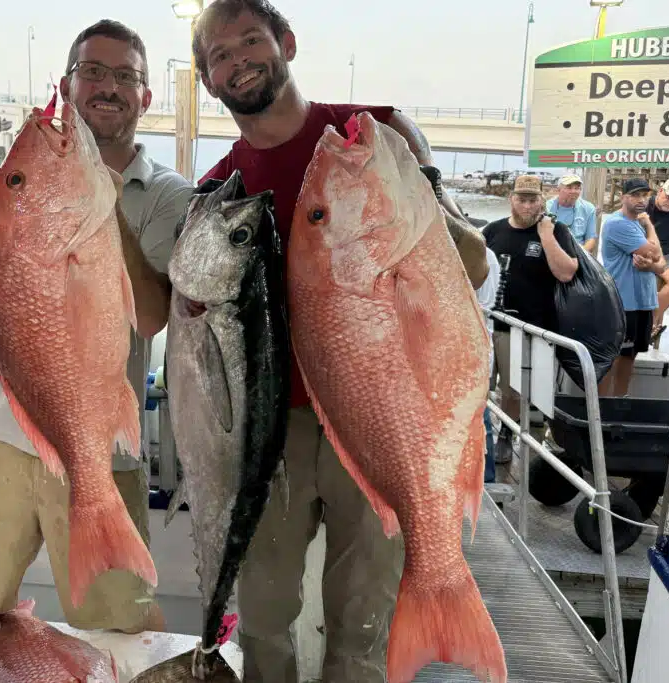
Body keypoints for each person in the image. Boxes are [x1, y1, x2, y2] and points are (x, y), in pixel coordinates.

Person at [189, 2, 491, 681]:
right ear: (207, 80)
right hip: (275, 428)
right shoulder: (216, 193)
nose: (238, 60)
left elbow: (471, 266)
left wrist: (425, 198)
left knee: (363, 619)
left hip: (385, 415)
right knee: (264, 614)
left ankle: (439, 595)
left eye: (250, 40)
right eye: (220, 55)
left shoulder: (373, 133)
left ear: (286, 43)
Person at [0, 19, 194, 633]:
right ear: (66, 86)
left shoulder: (171, 197)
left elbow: (151, 316)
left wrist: (104, 209)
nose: (108, 86)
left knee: (120, 626)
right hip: (1, 430)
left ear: (146, 98)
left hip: (100, 447)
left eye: (126, 76)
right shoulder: (33, 176)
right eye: (92, 71)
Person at [483, 175, 579, 462]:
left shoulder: (556, 231)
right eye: (521, 199)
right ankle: (482, 435)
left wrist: (546, 236)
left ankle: (506, 435)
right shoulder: (493, 230)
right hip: (489, 322)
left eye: (532, 199)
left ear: (542, 200)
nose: (526, 205)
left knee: (513, 390)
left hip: (526, 327)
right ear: (511, 199)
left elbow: (566, 272)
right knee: (481, 385)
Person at [599, 178, 661, 397]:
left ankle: (619, 403)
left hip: (642, 301)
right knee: (613, 357)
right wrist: (650, 226)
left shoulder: (637, 223)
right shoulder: (618, 223)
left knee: (630, 356)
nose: (641, 200)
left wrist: (653, 262)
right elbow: (655, 253)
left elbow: (660, 264)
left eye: (645, 195)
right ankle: (602, 411)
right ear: (623, 197)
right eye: (635, 195)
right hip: (623, 302)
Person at [474, 246, 501, 484]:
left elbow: (485, 307)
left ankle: (487, 481)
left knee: (479, 419)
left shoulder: (485, 256)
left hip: (473, 353)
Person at [647, 177, 669, 340]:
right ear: (660, 191)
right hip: (639, 251)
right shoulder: (643, 206)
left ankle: (649, 321)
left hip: (664, 255)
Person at [546, 175, 598, 255]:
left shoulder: (588, 208)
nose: (573, 191)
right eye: (569, 187)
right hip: (551, 253)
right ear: (558, 190)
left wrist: (579, 256)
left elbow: (591, 238)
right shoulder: (546, 207)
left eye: (577, 188)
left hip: (579, 254)